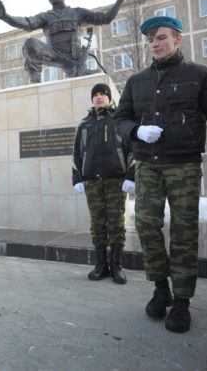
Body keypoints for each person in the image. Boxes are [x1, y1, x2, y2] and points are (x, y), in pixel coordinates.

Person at [113, 16, 207, 333]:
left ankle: (183, 302)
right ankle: (161, 288)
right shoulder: (137, 81)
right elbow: (119, 120)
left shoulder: (201, 76)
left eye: (161, 38)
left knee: (185, 232)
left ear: (178, 39)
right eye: (150, 40)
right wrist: (136, 130)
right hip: (147, 164)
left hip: (184, 165)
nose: (155, 44)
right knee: (146, 224)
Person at [0, 0, 138, 83]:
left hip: (73, 60)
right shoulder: (46, 16)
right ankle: (35, 83)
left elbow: (106, 18)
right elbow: (26, 23)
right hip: (54, 54)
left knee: (97, 78)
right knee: (30, 43)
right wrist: (5, 16)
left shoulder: (77, 13)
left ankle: (84, 72)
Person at [73, 83, 134, 284]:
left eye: (102, 94)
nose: (99, 97)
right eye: (96, 95)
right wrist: (77, 178)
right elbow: (76, 154)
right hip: (92, 182)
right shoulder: (84, 125)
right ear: (92, 99)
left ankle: (117, 266)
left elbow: (132, 150)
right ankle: (101, 266)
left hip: (116, 181)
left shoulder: (119, 120)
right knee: (97, 224)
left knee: (116, 223)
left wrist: (131, 176)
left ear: (109, 98)